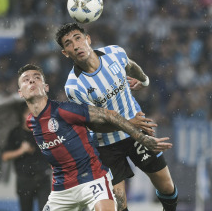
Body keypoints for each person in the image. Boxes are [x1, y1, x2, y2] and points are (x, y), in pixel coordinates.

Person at [55, 22, 178, 211]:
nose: (76, 45)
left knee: (167, 187)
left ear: (88, 39)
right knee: (118, 205)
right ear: (65, 53)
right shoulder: (74, 87)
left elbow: (130, 65)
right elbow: (94, 125)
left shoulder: (114, 53)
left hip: (138, 130)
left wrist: (144, 80)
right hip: (106, 146)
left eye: (78, 38)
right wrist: (128, 123)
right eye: (68, 43)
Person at [17, 64, 173, 211]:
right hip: (61, 190)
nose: (31, 80)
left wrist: (140, 135)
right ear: (20, 92)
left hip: (92, 180)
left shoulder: (64, 111)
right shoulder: (30, 122)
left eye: (37, 77)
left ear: (46, 87)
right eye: (26, 79)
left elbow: (107, 115)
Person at [2, 103, 51, 211]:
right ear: (23, 115)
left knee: (46, 209)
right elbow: (5, 156)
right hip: (24, 179)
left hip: (43, 177)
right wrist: (21, 151)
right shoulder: (15, 133)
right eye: (29, 113)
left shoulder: (43, 131)